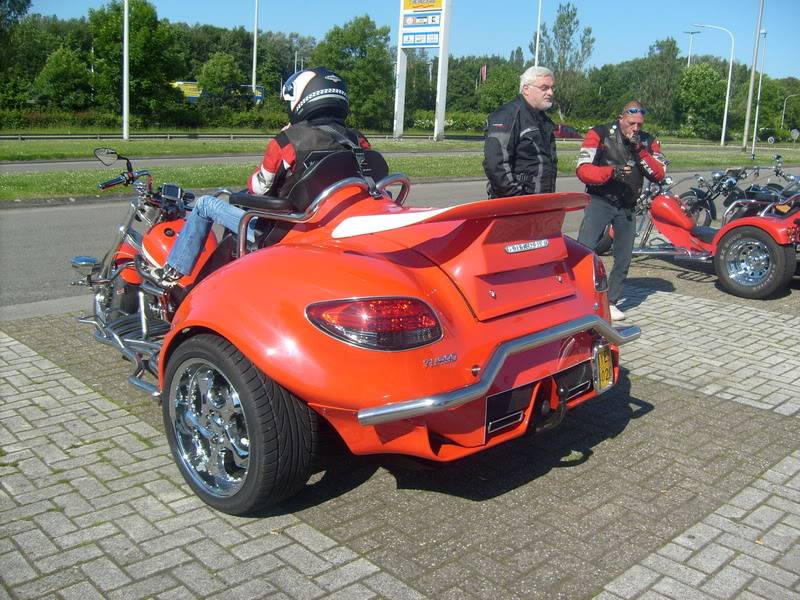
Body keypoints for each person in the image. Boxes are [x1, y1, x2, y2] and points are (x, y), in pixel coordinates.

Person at [150, 67, 371, 286]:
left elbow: (259, 188)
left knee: (205, 204)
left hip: (283, 231)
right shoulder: (358, 141)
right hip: (330, 229)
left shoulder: (287, 141)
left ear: (302, 98)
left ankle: (172, 272)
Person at [576, 101, 666, 321]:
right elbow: (582, 169)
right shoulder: (598, 133)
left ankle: (611, 301)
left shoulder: (648, 141)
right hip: (600, 198)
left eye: (639, 124)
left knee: (624, 256)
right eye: (631, 123)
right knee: (584, 249)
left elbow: (659, 173)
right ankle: (579, 296)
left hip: (627, 204)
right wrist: (610, 172)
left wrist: (640, 151)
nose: (635, 128)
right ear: (621, 118)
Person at [483, 65, 558, 198]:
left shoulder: (543, 120)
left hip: (541, 202)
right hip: (514, 205)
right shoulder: (508, 115)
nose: (550, 93)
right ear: (526, 89)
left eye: (552, 88)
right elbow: (495, 164)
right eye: (544, 88)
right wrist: (517, 197)